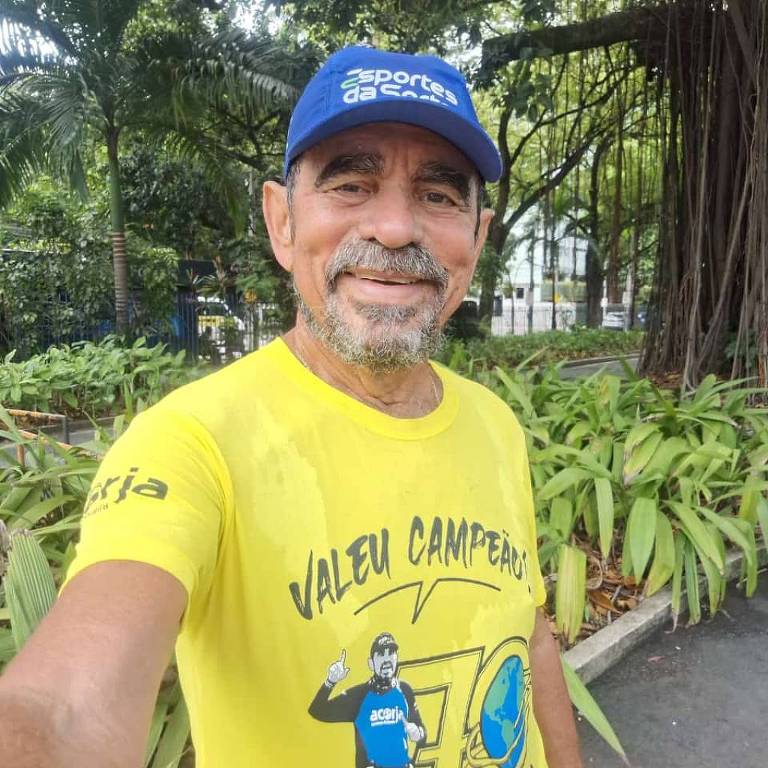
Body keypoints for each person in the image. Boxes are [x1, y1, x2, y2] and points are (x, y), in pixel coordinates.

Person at [0, 46, 582, 768]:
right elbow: (63, 711)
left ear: (478, 237)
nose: (396, 228)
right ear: (281, 220)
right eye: (351, 185)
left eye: (438, 196)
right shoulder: (190, 447)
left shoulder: (495, 424)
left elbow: (527, 640)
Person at [309, 634, 426, 768]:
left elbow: (422, 734)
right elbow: (317, 711)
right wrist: (330, 681)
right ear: (371, 663)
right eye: (381, 654)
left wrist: (418, 733)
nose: (387, 659)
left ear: (397, 658)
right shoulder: (359, 695)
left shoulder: (405, 690)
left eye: (391, 653)